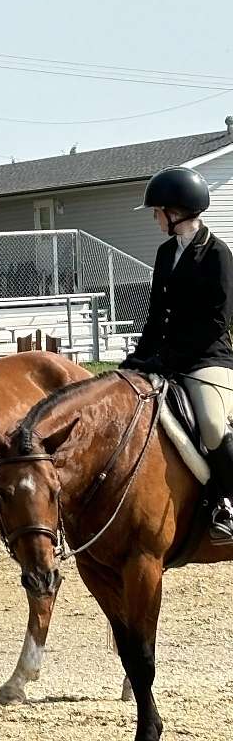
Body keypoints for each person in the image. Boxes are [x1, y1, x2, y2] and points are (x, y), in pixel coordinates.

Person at [120, 166, 233, 543]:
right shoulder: (166, 252)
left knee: (214, 426)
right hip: (166, 357)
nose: (155, 217)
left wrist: (170, 360)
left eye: (158, 211)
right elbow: (155, 314)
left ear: (178, 212)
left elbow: (216, 323)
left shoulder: (218, 254)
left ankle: (226, 502)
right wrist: (138, 358)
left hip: (208, 359)